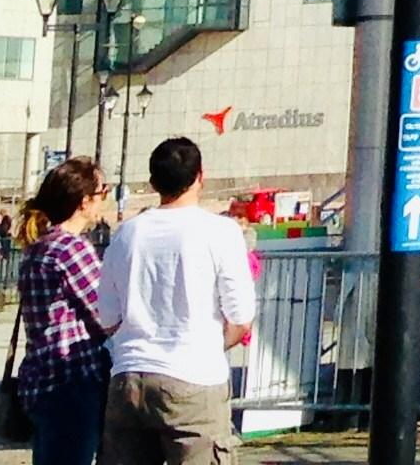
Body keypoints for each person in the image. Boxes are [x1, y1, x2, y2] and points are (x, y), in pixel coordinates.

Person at [96, 137, 253, 465]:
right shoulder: (221, 232)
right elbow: (240, 319)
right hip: (194, 378)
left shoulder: (126, 234)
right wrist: (208, 344)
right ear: (200, 176)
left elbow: (108, 318)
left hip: (130, 375)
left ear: (153, 182)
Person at [13, 158, 111, 465]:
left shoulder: (39, 246)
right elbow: (105, 312)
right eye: (102, 192)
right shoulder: (71, 249)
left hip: (40, 377)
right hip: (72, 378)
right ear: (84, 201)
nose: (102, 202)